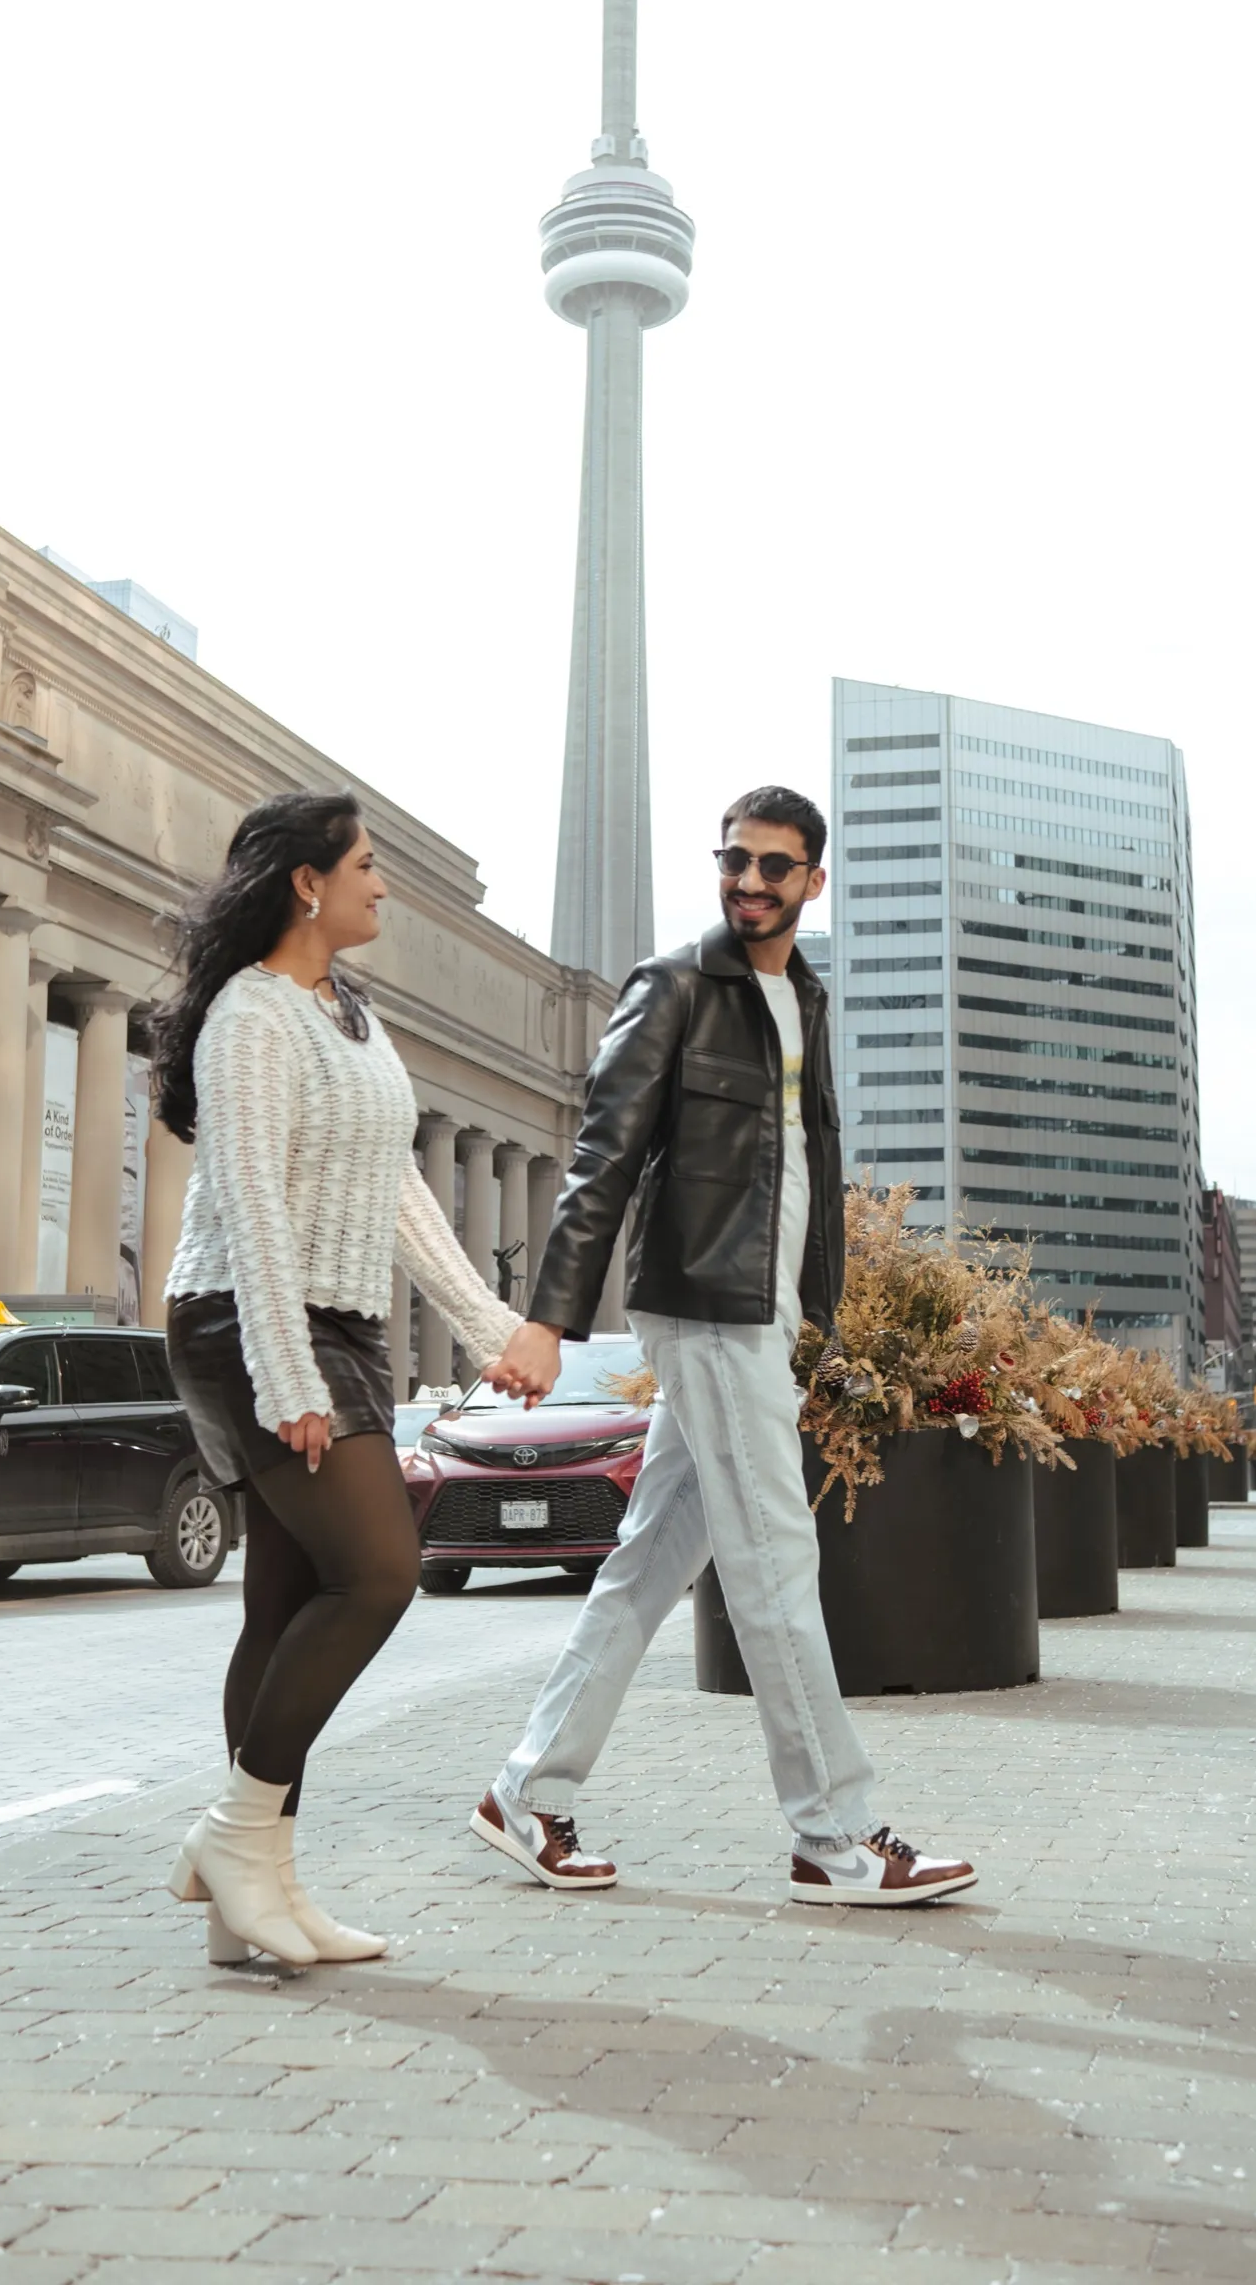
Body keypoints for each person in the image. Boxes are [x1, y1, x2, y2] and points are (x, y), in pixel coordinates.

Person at [470, 788, 978, 1907]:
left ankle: (525, 1791)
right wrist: (547, 1319)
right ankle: (835, 1835)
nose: (749, 883)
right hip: (701, 1303)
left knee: (650, 1563)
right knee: (774, 1563)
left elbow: (808, 1175)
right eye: (735, 860)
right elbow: (601, 1157)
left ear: (811, 882)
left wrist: (817, 1316)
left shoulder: (805, 998)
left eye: (774, 867)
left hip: (763, 1315)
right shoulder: (673, 989)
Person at [152, 790, 551, 1967]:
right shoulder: (249, 1021)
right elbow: (256, 1211)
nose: (386, 886)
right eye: (369, 866)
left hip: (337, 1325)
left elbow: (395, 1192)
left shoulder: (351, 1016)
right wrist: (287, 1377)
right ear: (306, 883)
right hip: (246, 1322)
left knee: (282, 1606)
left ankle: (251, 1897)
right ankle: (237, 1839)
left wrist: (487, 1326)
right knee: (378, 1572)